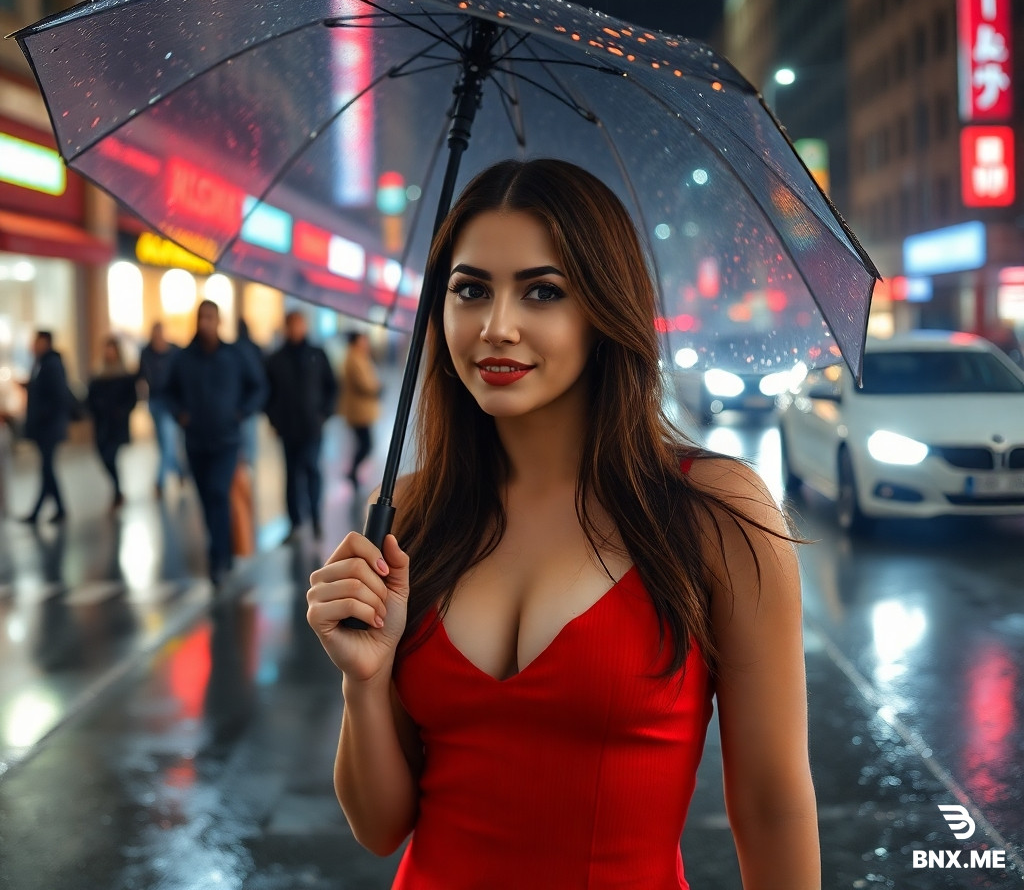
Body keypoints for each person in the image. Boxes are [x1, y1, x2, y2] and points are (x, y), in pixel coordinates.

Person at [306, 160, 820, 889]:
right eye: (470, 289)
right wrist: (364, 681)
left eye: (542, 291)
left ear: (604, 309)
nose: (496, 326)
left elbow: (772, 807)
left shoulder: (713, 512)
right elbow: (380, 826)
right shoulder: (411, 513)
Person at [165, 300, 267, 586]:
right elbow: (167, 391)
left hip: (226, 441)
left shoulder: (234, 355)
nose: (206, 323)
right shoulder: (184, 358)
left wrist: (241, 412)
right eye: (202, 318)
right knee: (207, 501)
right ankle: (223, 547)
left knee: (219, 493)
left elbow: (258, 387)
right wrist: (180, 414)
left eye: (211, 317)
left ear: (219, 321)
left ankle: (218, 558)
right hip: (196, 442)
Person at [264, 310, 338, 541]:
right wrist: (274, 419)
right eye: (292, 324)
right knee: (292, 476)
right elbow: (267, 393)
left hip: (312, 427)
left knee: (312, 470)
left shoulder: (317, 354)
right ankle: (295, 523)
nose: (296, 329)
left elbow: (332, 386)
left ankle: (315, 518)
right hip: (288, 429)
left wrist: (324, 414)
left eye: (299, 324)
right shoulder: (276, 359)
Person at [18, 330, 72, 524]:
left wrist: (43, 415)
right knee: (46, 468)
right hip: (44, 426)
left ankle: (44, 510)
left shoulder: (51, 364)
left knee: (47, 468)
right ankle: (53, 509)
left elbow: (58, 396)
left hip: (49, 426)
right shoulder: (39, 363)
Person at [86, 335, 138, 511]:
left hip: (116, 425)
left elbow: (132, 399)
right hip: (102, 424)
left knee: (110, 456)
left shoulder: (124, 375)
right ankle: (117, 490)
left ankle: (117, 492)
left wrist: (121, 412)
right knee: (103, 456)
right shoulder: (98, 375)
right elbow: (90, 399)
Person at [138, 320, 186, 497]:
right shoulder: (146, 353)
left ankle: (159, 481)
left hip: (170, 402)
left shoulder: (174, 352)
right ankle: (181, 471)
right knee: (163, 444)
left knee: (168, 442)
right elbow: (141, 375)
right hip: (154, 401)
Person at [339, 331, 381, 489]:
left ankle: (353, 471)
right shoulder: (354, 358)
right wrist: (377, 388)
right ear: (356, 342)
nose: (366, 343)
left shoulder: (359, 356)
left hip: (362, 409)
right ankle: (352, 472)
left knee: (364, 443)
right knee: (366, 444)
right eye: (363, 340)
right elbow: (364, 383)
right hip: (359, 410)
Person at [234, 318, 266, 469]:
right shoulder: (253, 348)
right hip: (246, 405)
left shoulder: (236, 349)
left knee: (243, 444)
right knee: (249, 445)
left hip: (242, 404)